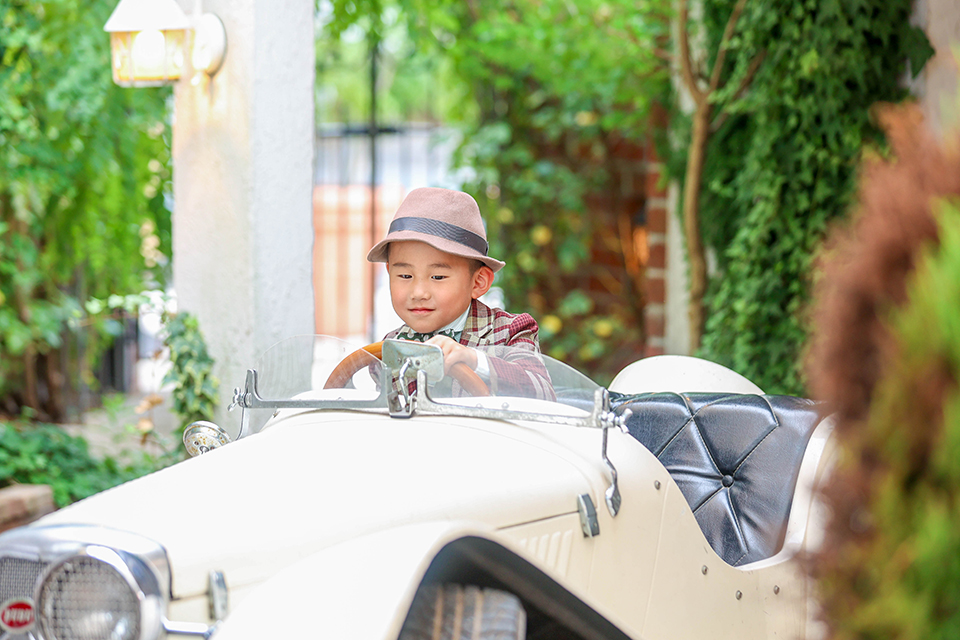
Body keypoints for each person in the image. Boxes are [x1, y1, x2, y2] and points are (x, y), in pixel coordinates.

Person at [367, 187, 554, 400]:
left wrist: (474, 360)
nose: (418, 293)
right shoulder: (390, 346)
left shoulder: (509, 332)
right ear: (389, 273)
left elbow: (542, 392)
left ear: (478, 282)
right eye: (405, 276)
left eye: (438, 277)